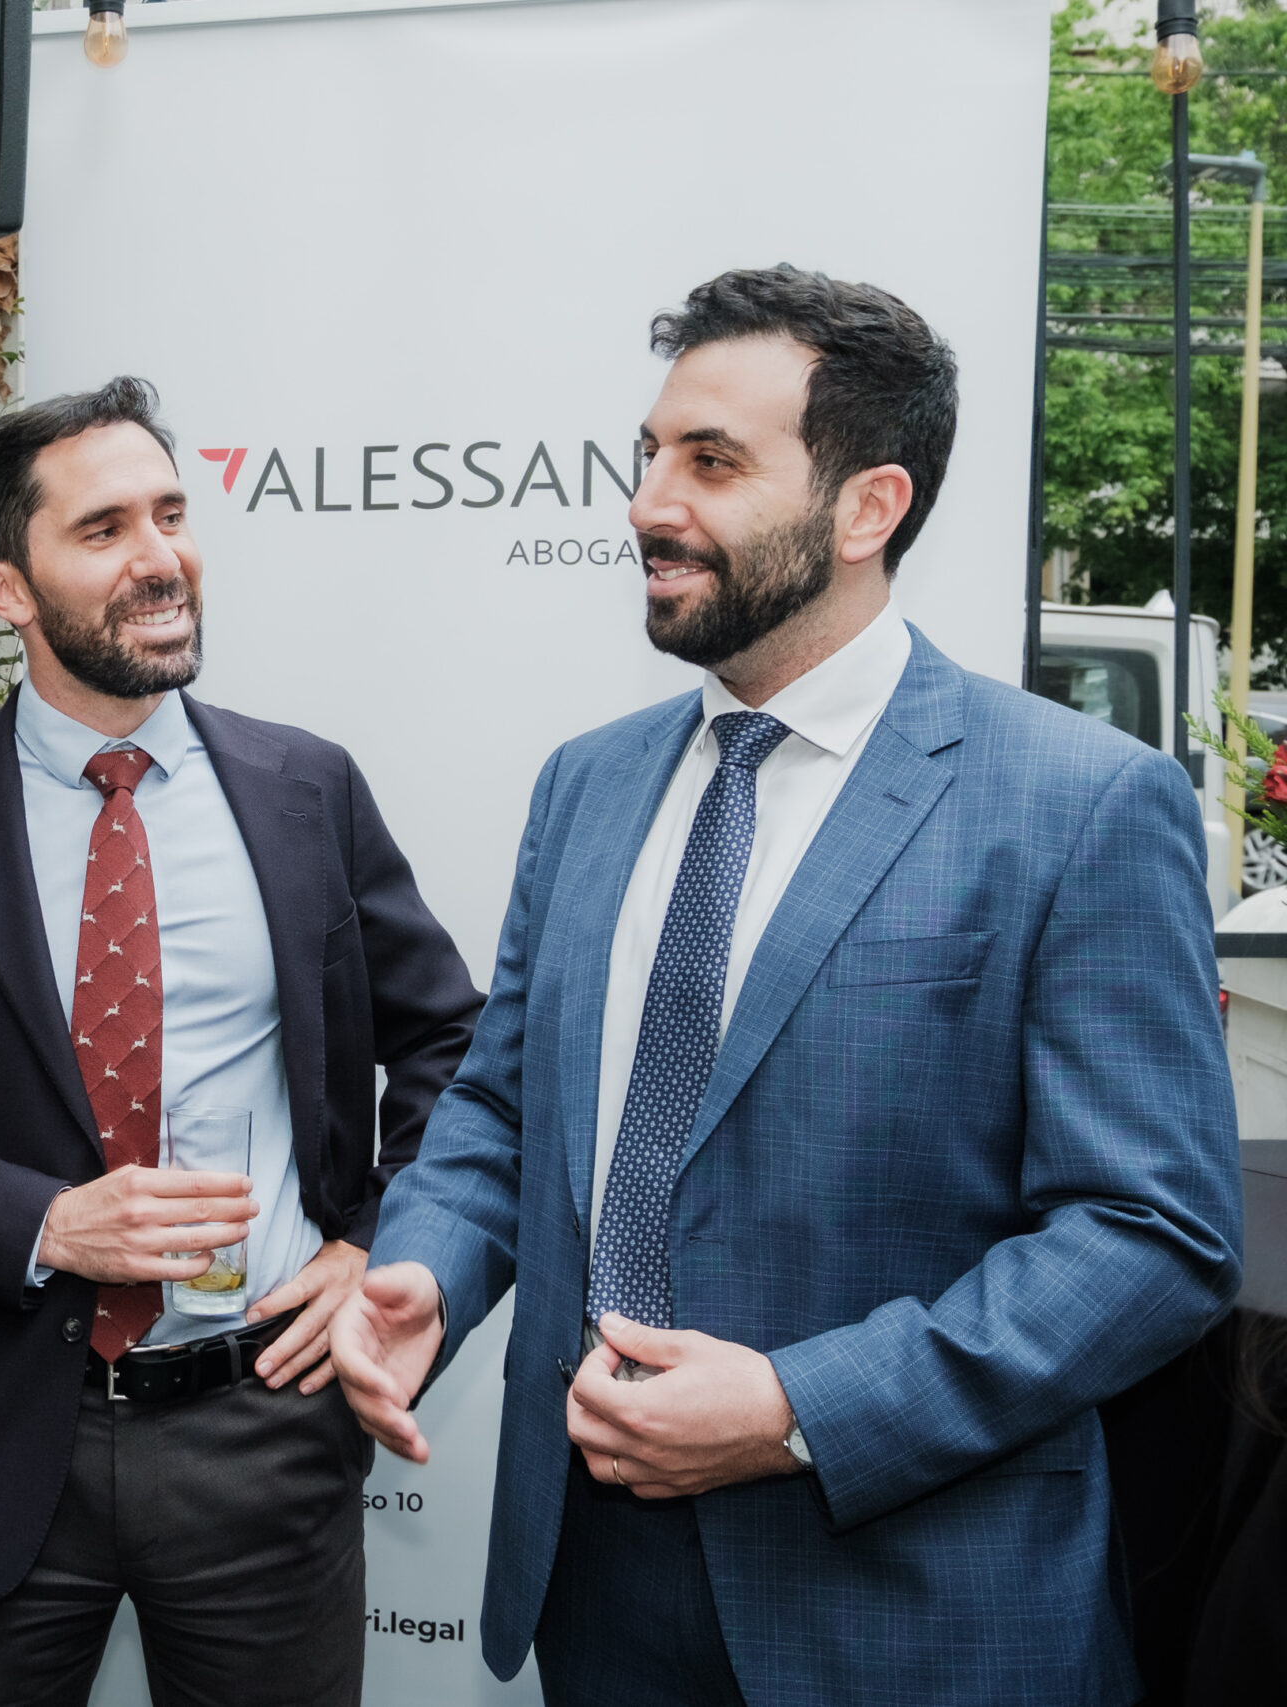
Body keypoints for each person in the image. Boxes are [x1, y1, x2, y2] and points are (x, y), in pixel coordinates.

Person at [330, 264, 1245, 1707]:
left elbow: (1151, 1235)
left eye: (712, 462)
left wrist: (794, 1409)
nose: (647, 503)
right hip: (599, 1587)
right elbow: (506, 1108)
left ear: (867, 507)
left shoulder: (1079, 803)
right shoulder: (588, 786)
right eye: (649, 454)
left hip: (914, 1612)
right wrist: (429, 1272)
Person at [0, 377, 485, 1707]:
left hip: (262, 1429)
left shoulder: (307, 790)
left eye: (170, 514)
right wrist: (44, 1224)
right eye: (103, 531)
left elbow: (452, 1043)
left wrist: (375, 1241)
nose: (160, 558)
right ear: (8, 589)